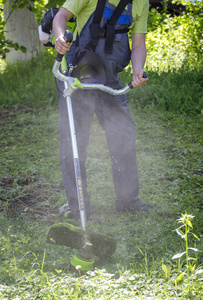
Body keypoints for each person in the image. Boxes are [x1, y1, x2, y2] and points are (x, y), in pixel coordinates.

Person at [53, 0, 154, 221]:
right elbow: (60, 17)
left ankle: (128, 201)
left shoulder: (140, 3)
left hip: (110, 80)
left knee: (123, 135)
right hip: (78, 77)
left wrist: (138, 70)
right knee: (74, 142)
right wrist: (60, 37)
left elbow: (138, 44)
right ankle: (78, 206)